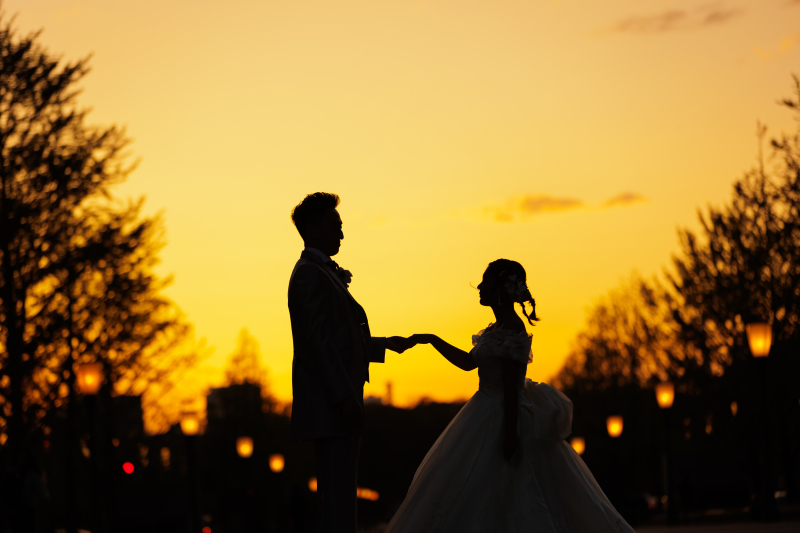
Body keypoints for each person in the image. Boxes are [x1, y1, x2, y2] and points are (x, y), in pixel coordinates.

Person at [386, 259, 636, 533]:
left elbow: (510, 387)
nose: (479, 286)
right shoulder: (495, 328)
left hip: (503, 416)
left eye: (486, 281)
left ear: (503, 288)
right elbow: (469, 363)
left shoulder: (513, 328)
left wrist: (509, 433)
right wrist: (429, 339)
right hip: (485, 411)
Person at [287, 192, 406, 533]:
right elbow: (319, 345)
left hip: (336, 403)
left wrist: (386, 346)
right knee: (337, 497)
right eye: (334, 227)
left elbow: (341, 341)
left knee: (340, 495)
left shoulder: (322, 272)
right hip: (332, 406)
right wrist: (345, 398)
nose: (341, 235)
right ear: (312, 229)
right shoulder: (310, 274)